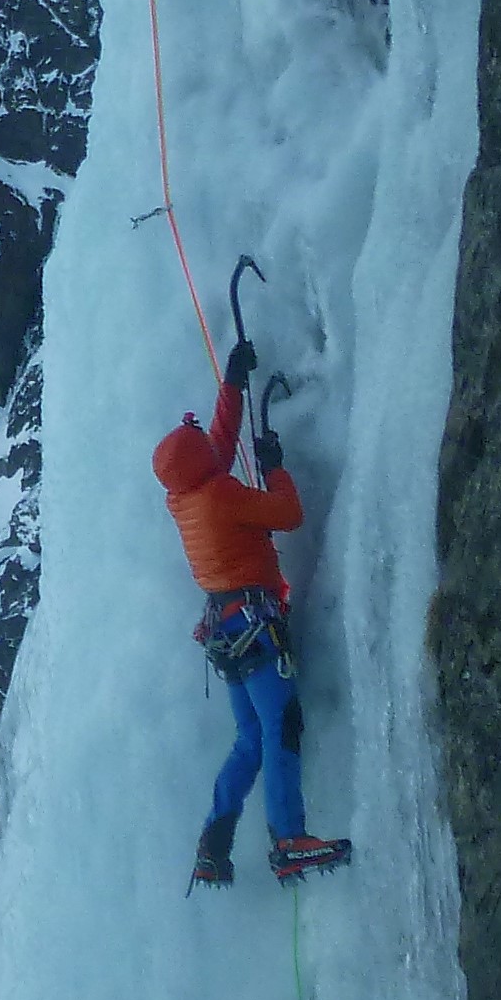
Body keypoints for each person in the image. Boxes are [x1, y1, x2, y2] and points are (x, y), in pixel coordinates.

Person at [153, 338, 344, 885]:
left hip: (227, 630)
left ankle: (213, 844)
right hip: (254, 630)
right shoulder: (219, 496)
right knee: (282, 726)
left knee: (251, 740)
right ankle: (289, 841)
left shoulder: (185, 496)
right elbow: (288, 513)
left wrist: (233, 382)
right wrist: (276, 468)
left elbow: (216, 443)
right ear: (198, 464)